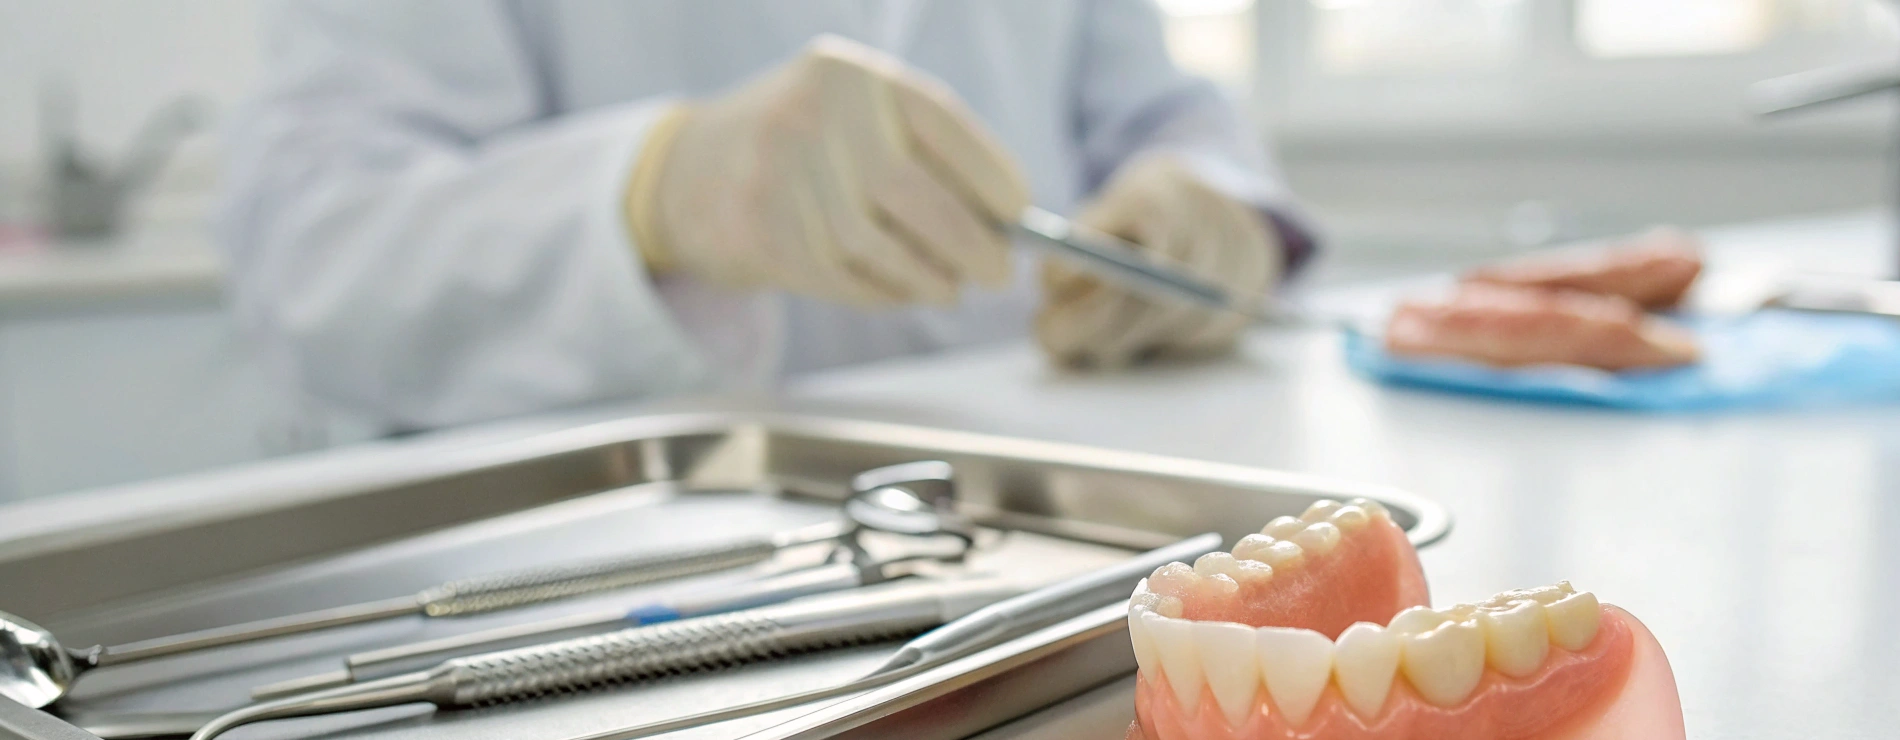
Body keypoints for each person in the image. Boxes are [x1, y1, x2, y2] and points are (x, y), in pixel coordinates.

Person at [219, 1, 1315, 431]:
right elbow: (312, 249)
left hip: (1041, 503)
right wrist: (654, 190)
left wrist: (1210, 201)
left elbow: (1163, 113)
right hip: (602, 563)